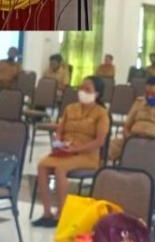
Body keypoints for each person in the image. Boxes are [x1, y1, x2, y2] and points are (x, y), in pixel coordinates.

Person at [32, 76, 110, 227]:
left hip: (87, 155)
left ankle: (62, 214)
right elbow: (59, 131)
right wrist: (58, 142)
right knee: (42, 165)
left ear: (97, 94)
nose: (82, 92)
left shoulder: (101, 113)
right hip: (65, 152)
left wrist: (76, 149)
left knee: (60, 169)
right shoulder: (70, 108)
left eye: (87, 89)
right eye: (81, 88)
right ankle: (47, 213)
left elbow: (99, 141)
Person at [108, 76, 155, 161]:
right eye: (147, 93)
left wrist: (153, 143)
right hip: (133, 139)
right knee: (113, 145)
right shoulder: (139, 103)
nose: (149, 97)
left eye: (153, 94)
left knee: (147, 153)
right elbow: (126, 127)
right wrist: (130, 139)